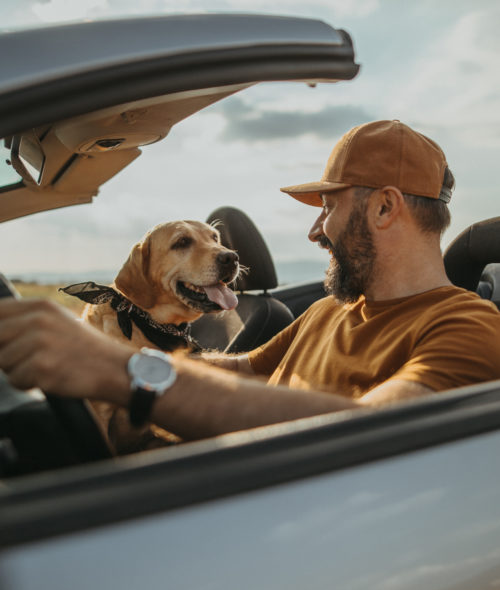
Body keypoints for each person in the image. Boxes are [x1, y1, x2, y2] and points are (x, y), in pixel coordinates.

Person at [1, 119, 500, 441]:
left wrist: (124, 374)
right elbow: (246, 370)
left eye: (328, 209)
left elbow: (371, 435)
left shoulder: (468, 326)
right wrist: (126, 347)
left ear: (385, 207)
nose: (314, 231)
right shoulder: (332, 309)